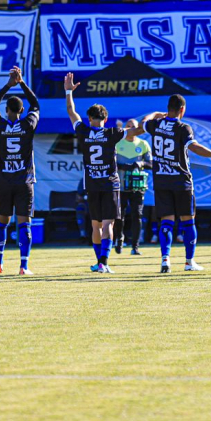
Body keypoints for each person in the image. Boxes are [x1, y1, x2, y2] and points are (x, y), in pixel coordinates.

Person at [128, 94, 211, 273]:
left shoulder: (156, 125)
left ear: (168, 108)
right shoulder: (183, 127)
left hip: (162, 180)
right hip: (181, 181)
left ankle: (165, 260)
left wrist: (155, 113)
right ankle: (189, 262)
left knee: (167, 221)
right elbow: (194, 147)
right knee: (188, 221)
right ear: (182, 109)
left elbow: (142, 123)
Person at [64, 73, 125, 274]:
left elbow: (71, 112)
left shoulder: (83, 131)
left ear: (89, 118)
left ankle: (98, 261)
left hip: (92, 184)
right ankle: (104, 262)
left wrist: (68, 92)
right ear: (105, 119)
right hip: (109, 183)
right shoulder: (112, 133)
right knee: (109, 223)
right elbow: (135, 131)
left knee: (95, 225)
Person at [0, 66, 40, 275]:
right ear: (21, 111)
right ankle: (23, 266)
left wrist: (8, 86)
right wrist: (22, 84)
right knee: (24, 224)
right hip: (25, 180)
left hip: (4, 182)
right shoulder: (28, 124)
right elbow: (35, 104)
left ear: (7, 110)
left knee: (1, 223)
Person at [114, 119, 151, 256]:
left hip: (137, 185)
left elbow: (151, 164)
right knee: (119, 215)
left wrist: (140, 163)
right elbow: (110, 162)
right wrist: (121, 166)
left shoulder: (143, 144)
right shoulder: (117, 143)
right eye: (128, 126)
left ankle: (135, 246)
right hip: (120, 185)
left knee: (137, 215)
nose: (130, 129)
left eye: (133, 127)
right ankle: (119, 239)